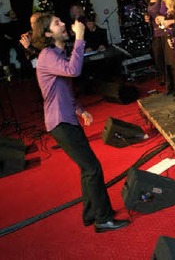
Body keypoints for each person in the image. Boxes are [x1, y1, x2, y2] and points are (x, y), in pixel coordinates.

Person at [31, 13, 129, 232]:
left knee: (87, 169)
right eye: (57, 23)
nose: (64, 23)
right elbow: (73, 71)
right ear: (48, 34)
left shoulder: (56, 52)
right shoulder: (47, 55)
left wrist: (80, 109)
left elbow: (61, 88)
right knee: (92, 168)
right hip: (60, 122)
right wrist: (80, 37)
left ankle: (91, 214)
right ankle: (103, 219)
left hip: (65, 118)